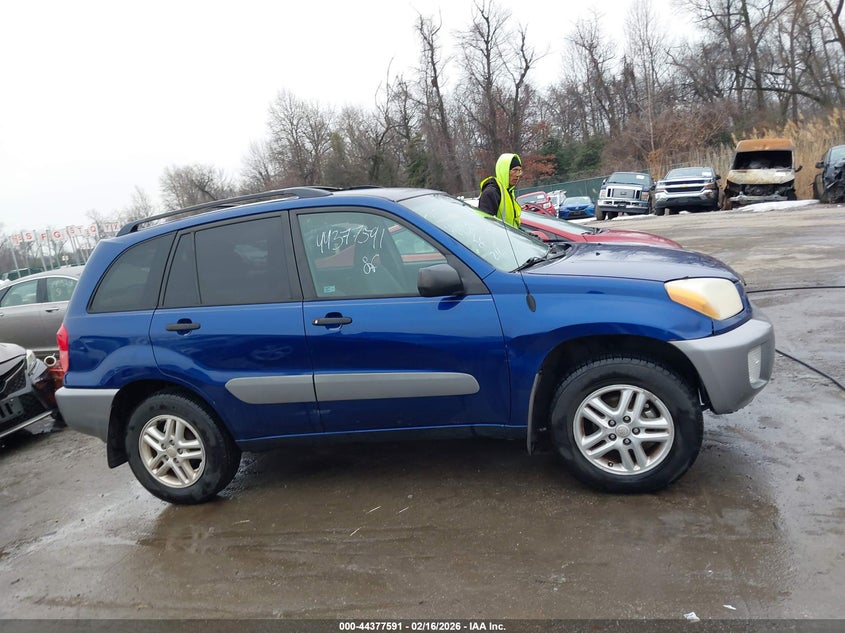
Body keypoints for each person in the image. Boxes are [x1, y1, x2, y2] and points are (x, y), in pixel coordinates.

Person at [478, 153, 523, 228]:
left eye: (519, 171)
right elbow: (486, 227)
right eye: (514, 170)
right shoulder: (491, 193)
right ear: (504, 171)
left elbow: (513, 224)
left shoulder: (508, 192)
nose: (518, 175)